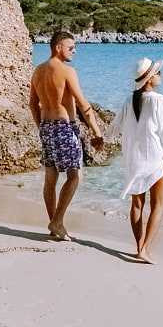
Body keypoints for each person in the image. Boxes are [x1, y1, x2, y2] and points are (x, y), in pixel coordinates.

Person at [29, 31, 104, 241]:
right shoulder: (67, 71)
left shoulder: (38, 71)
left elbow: (32, 104)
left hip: (46, 126)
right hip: (64, 127)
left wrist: (41, 126)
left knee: (50, 177)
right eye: (71, 47)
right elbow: (83, 104)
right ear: (58, 47)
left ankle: (54, 224)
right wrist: (96, 132)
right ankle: (57, 221)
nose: (74, 51)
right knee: (74, 175)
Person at [105, 57, 163, 263]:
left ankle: (139, 246)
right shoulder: (158, 100)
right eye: (157, 73)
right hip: (156, 158)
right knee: (158, 205)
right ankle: (144, 249)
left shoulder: (130, 100)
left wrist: (103, 139)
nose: (160, 75)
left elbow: (115, 126)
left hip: (134, 159)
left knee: (137, 204)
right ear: (148, 79)